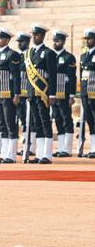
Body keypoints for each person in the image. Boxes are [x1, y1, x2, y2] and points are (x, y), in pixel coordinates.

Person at [25, 24, 57, 164]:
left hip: (44, 94)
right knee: (36, 123)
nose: (34, 37)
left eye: (37, 35)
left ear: (43, 36)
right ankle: (39, 154)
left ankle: (47, 154)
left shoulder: (49, 53)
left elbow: (53, 75)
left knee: (45, 122)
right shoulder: (29, 53)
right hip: (32, 93)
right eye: (33, 35)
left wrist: (52, 95)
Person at [0, 28, 21, 163]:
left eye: (1, 38)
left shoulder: (12, 55)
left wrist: (16, 93)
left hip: (8, 93)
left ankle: (11, 154)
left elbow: (15, 77)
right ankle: (3, 153)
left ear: (7, 40)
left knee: (10, 123)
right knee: (1, 123)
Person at [51, 30, 77, 157]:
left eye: (58, 40)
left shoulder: (69, 57)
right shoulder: (50, 56)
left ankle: (67, 148)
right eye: (54, 40)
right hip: (53, 94)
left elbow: (72, 78)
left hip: (65, 93)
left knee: (66, 119)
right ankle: (61, 147)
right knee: (58, 120)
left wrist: (72, 95)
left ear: (63, 41)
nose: (56, 43)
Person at [16, 32, 35, 156]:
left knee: (31, 121)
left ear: (27, 42)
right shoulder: (17, 56)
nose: (19, 44)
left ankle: (31, 146)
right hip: (19, 93)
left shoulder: (31, 55)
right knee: (23, 120)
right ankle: (25, 145)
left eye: (22, 42)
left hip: (29, 92)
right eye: (18, 42)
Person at [80, 28, 95, 158]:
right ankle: (93, 148)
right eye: (86, 39)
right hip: (85, 91)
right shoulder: (83, 55)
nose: (87, 41)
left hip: (94, 90)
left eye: (89, 39)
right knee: (90, 120)